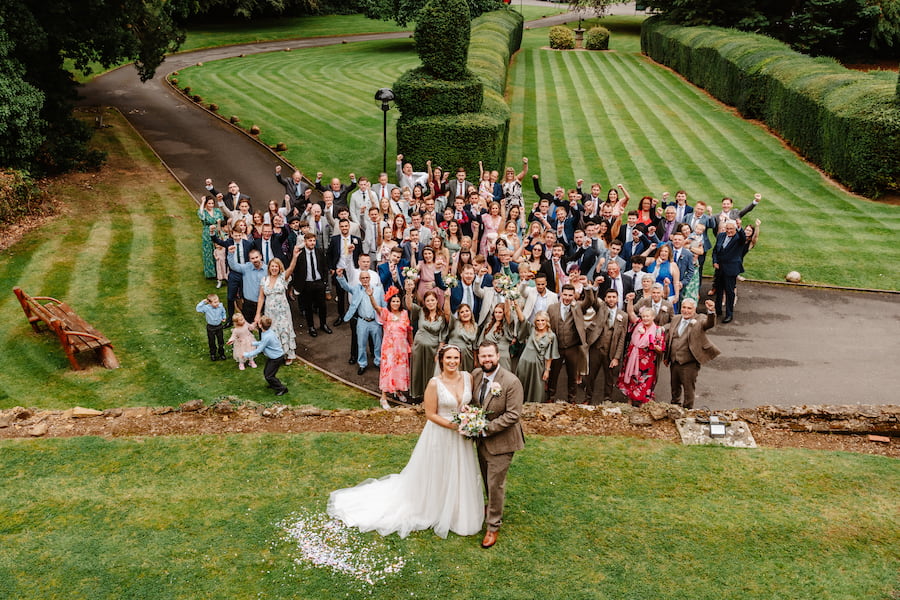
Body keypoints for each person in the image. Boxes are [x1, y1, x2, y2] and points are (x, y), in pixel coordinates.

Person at [328, 345, 483, 539]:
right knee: (438, 470)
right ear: (441, 360)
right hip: (441, 434)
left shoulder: (468, 378)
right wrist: (454, 425)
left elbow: (471, 405)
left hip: (462, 436)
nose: (452, 362)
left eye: (456, 358)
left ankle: (456, 509)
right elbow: (430, 414)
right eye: (448, 358)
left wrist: (470, 420)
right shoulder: (435, 384)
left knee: (460, 470)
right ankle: (434, 506)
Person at [470, 341, 525, 548]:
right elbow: (474, 403)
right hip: (481, 441)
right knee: (486, 478)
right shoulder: (476, 375)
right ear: (479, 358)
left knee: (496, 484)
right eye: (483, 356)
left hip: (502, 442)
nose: (487, 360)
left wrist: (485, 428)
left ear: (498, 356)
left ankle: (493, 526)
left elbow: (513, 415)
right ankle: (491, 506)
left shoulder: (511, 382)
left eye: (490, 356)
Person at [663, 298, 720, 409]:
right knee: (674, 387)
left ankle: (688, 411)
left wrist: (711, 312)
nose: (686, 310)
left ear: (694, 309)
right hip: (674, 361)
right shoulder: (676, 318)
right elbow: (670, 336)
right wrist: (667, 356)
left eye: (689, 308)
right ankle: (674, 408)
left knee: (688, 389)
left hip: (689, 362)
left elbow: (709, 323)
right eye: (684, 307)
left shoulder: (700, 319)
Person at [255, 247, 300, 365]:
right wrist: (258, 314)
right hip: (270, 311)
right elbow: (261, 297)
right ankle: (276, 355)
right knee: (272, 332)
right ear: (269, 267)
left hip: (283, 311)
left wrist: (294, 257)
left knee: (285, 330)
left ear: (279, 268)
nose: (274, 268)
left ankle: (288, 354)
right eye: (272, 266)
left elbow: (291, 268)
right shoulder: (264, 280)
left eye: (276, 266)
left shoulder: (282, 278)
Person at [336, 269, 384, 376]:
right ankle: (362, 364)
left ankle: (379, 362)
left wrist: (385, 318)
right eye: (363, 278)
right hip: (362, 321)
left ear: (370, 278)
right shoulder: (357, 289)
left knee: (377, 344)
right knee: (361, 344)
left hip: (375, 321)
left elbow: (383, 305)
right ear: (360, 279)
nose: (365, 280)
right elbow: (346, 287)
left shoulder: (378, 289)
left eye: (367, 277)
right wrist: (340, 277)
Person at [617, 301, 666, 406]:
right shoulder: (637, 325)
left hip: (647, 363)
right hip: (632, 358)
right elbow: (630, 313)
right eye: (643, 316)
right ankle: (629, 401)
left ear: (653, 317)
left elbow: (661, 349)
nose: (645, 319)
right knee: (631, 380)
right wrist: (630, 301)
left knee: (644, 383)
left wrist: (655, 347)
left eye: (648, 316)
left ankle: (641, 404)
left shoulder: (658, 330)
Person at [583, 289, 627, 404]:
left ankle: (607, 399)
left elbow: (622, 338)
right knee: (591, 375)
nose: (611, 299)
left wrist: (617, 357)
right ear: (605, 299)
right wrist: (592, 287)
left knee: (609, 378)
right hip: (596, 348)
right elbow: (593, 301)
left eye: (613, 297)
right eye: (609, 297)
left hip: (610, 351)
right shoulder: (601, 308)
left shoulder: (623, 315)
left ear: (617, 299)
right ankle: (588, 398)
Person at [406, 287, 449, 400]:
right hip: (419, 346)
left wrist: (439, 351)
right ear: (424, 302)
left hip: (433, 348)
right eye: (428, 300)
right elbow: (409, 305)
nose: (430, 303)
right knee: (418, 370)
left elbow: (443, 335)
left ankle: (429, 396)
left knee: (430, 372)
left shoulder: (442, 316)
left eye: (432, 300)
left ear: (437, 301)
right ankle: (417, 395)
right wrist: (409, 292)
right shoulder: (420, 311)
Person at [513, 306, 559, 404]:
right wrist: (516, 306)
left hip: (538, 366)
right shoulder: (531, 329)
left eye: (543, 320)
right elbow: (522, 320)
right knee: (522, 386)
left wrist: (547, 370)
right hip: (524, 363)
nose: (540, 323)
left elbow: (550, 356)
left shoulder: (551, 336)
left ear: (547, 321)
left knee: (536, 389)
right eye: (538, 320)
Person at [378, 286, 413, 408]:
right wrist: (370, 295)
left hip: (402, 347)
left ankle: (398, 391)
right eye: (393, 301)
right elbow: (376, 308)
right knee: (388, 370)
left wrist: (411, 344)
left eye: (397, 301)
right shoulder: (386, 313)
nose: (395, 303)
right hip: (389, 348)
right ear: (389, 302)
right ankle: (383, 397)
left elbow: (408, 330)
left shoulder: (404, 313)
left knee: (400, 370)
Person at [293, 233, 332, 337]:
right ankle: (311, 326)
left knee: (322, 306)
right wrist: (298, 285)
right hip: (306, 284)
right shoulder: (300, 254)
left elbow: (324, 267)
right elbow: (296, 271)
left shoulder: (319, 252)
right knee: (308, 307)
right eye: (310, 241)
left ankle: (323, 324)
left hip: (319, 283)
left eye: (314, 241)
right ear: (305, 242)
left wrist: (324, 282)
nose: (312, 243)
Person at [712, 219, 746, 323]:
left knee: (729, 292)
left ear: (735, 228)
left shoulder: (738, 238)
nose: (729, 230)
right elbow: (715, 251)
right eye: (727, 228)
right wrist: (715, 261)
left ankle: (729, 314)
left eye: (731, 228)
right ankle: (717, 311)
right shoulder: (721, 236)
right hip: (720, 268)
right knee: (719, 290)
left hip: (731, 269)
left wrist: (740, 227)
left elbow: (743, 237)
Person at [244, 316, 289, 396]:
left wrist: (247, 354)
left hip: (276, 358)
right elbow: (264, 343)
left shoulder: (267, 336)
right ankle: (273, 384)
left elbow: (259, 350)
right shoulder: (268, 332)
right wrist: (254, 343)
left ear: (260, 325)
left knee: (269, 376)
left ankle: (282, 388)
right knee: (267, 372)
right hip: (275, 357)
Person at [227, 247, 266, 325]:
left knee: (263, 327)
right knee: (247, 327)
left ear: (261, 256)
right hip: (248, 304)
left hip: (263, 303)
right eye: (252, 258)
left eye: (256, 257)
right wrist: (231, 254)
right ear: (250, 260)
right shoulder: (246, 268)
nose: (255, 260)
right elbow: (234, 266)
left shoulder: (267, 270)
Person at [197, 195, 224, 279]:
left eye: (212, 203)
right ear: (206, 204)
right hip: (207, 232)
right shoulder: (203, 211)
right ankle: (210, 273)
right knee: (208, 251)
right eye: (209, 203)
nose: (211, 205)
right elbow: (201, 215)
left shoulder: (217, 211)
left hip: (217, 231)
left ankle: (219, 271)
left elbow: (221, 220)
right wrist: (202, 202)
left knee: (218, 251)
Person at [196, 294, 226, 361]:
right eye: (215, 302)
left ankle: (222, 353)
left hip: (219, 326)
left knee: (221, 341)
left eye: (218, 301)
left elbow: (223, 311)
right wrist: (203, 302)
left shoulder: (220, 306)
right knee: (211, 341)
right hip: (211, 327)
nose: (217, 303)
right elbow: (198, 309)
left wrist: (224, 317)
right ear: (209, 302)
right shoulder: (206, 308)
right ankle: (213, 354)